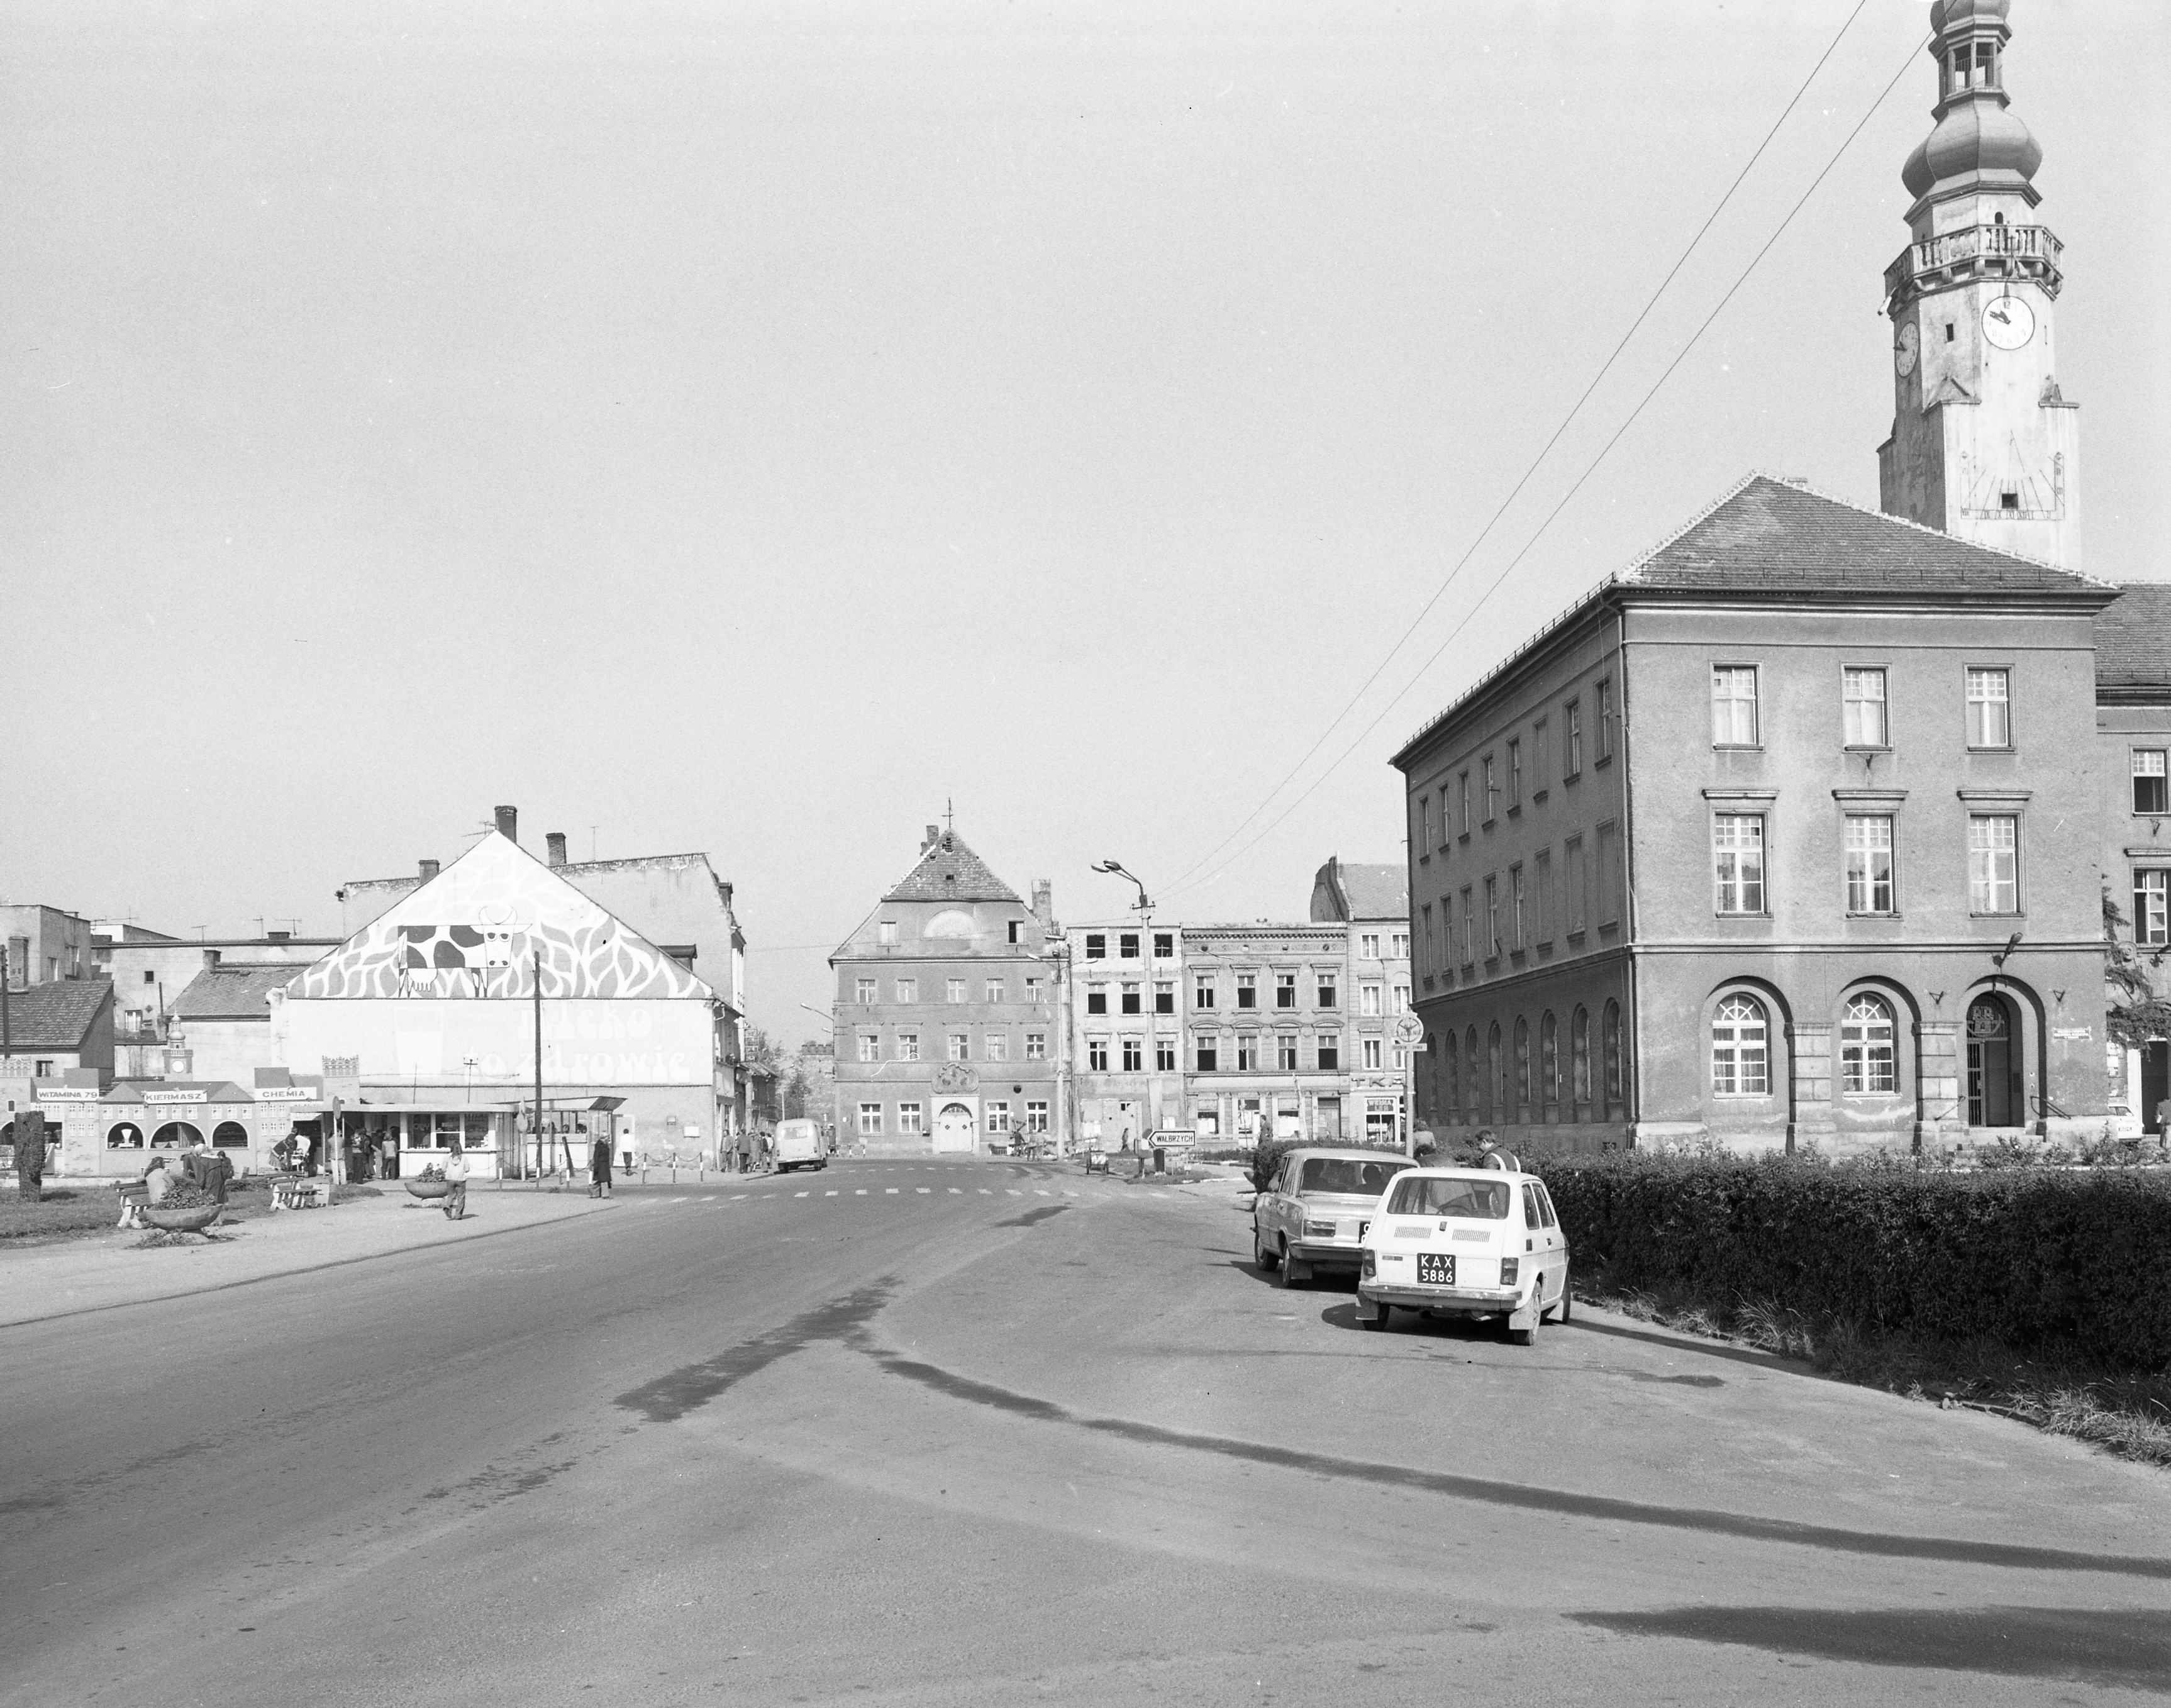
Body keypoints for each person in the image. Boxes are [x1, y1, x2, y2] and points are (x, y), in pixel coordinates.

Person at [441, 1143, 470, 1220]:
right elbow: (467, 1169)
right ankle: (458, 1215)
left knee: (451, 1195)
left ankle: (448, 1207)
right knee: (461, 1197)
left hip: (450, 1179)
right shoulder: (464, 1157)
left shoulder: (447, 1157)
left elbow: (443, 1169)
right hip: (461, 1179)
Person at [589, 1130, 613, 1199]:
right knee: (604, 1180)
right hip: (601, 1165)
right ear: (604, 1137)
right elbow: (596, 1155)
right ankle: (605, 1195)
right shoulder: (599, 1144)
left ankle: (593, 1190)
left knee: (603, 1180)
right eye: (608, 1137)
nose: (608, 1138)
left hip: (605, 1164)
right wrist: (596, 1166)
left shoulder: (605, 1144)